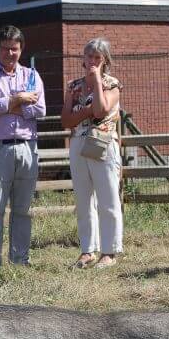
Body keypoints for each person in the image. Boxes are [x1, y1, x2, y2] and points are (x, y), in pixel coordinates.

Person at [0, 25, 45, 268]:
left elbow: (40, 109)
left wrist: (5, 106)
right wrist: (17, 100)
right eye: (5, 49)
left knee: (23, 209)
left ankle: (19, 261)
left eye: (14, 49)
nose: (10, 53)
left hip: (27, 148)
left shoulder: (31, 76)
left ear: (21, 49)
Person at [62, 38, 123, 268]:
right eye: (89, 56)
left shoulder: (112, 84)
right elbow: (65, 119)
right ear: (83, 58)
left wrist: (97, 80)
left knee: (107, 198)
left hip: (103, 143)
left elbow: (101, 110)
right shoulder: (73, 86)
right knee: (83, 198)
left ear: (105, 60)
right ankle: (88, 250)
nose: (93, 61)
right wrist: (86, 112)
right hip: (78, 142)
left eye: (98, 57)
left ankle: (109, 252)